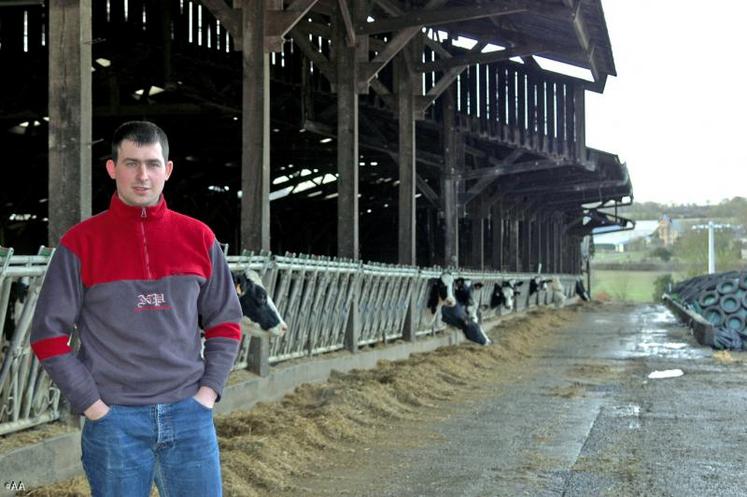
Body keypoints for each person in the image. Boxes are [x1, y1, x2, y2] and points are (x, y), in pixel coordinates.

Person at [30, 121, 242, 497]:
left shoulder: (199, 238)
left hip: (189, 416)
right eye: (130, 163)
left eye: (152, 163)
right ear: (112, 168)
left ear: (168, 169)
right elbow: (48, 337)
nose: (142, 176)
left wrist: (208, 393)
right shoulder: (80, 244)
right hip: (115, 421)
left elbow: (226, 322)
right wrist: (93, 406)